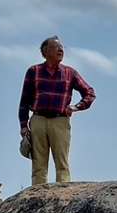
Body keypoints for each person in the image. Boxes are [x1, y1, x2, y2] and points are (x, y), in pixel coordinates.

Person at [18, 36, 96, 185]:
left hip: (60, 120)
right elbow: (24, 101)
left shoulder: (70, 73)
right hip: (38, 120)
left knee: (62, 162)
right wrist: (23, 125)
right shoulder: (33, 71)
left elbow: (90, 93)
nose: (60, 50)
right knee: (38, 165)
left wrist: (76, 107)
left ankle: (63, 196)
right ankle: (37, 198)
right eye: (56, 47)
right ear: (45, 52)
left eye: (62, 48)